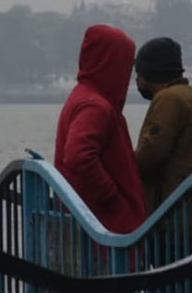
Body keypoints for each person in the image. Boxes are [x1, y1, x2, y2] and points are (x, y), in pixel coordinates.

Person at [54, 24, 147, 234]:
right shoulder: (95, 106)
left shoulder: (83, 95)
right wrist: (111, 197)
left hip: (95, 224)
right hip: (107, 229)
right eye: (125, 63)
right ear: (112, 62)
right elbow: (78, 156)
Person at [134, 37, 192, 213]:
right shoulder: (187, 94)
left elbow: (148, 158)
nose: (136, 80)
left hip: (180, 213)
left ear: (149, 72)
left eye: (138, 73)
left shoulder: (169, 98)